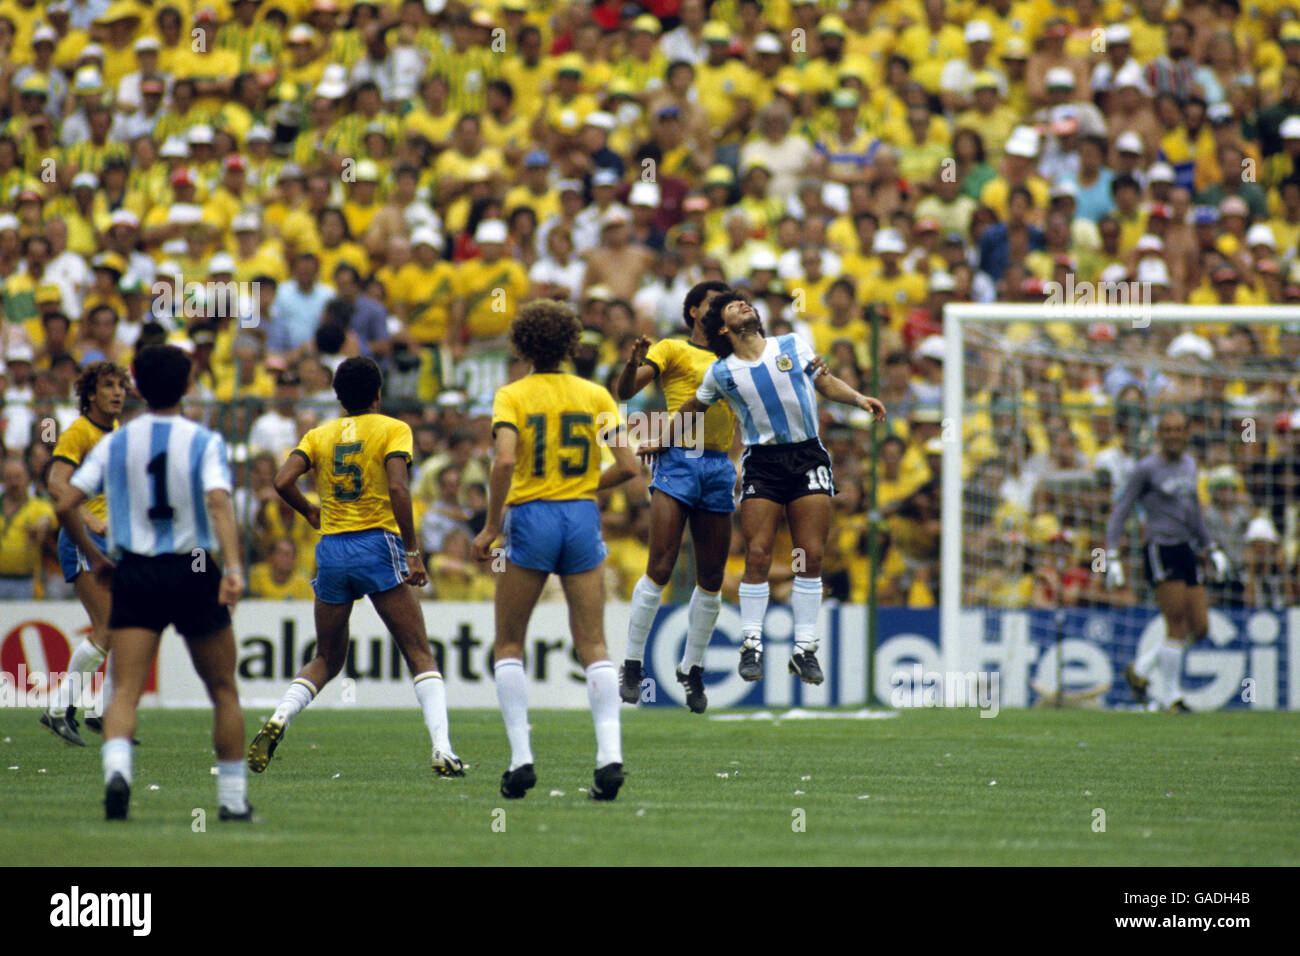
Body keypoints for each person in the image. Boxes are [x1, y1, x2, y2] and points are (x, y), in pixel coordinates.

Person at [642, 291, 885, 684]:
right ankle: (751, 644)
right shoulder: (722, 372)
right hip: (762, 464)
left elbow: (824, 382)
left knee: (811, 554)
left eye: (746, 303)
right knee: (756, 554)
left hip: (807, 455)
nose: (745, 305)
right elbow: (692, 408)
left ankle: (805, 649)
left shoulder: (791, 344)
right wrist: (662, 439)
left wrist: (859, 399)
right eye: (734, 306)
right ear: (723, 327)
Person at [55, 345, 251, 822]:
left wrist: (98, 557)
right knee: (224, 689)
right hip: (194, 567)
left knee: (124, 689)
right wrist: (234, 568)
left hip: (136, 569)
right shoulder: (203, 439)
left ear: (138, 387)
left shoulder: (116, 442)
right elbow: (221, 504)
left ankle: (118, 771)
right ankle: (230, 801)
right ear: (187, 385)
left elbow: (65, 503)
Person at [248, 356, 463, 778]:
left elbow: (280, 481)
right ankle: (443, 748)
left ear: (337, 397)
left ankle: (278, 719)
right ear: (379, 394)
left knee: (326, 656)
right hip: (377, 544)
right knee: (419, 651)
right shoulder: (393, 429)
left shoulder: (318, 435)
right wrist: (413, 551)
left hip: (331, 549)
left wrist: (310, 511)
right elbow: (399, 487)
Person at [470, 300, 640, 801]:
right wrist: (588, 485)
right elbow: (630, 468)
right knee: (593, 644)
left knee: (508, 643)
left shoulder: (512, 395)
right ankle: (610, 755)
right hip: (581, 515)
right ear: (572, 344)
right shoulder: (595, 395)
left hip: (531, 515)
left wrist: (489, 527)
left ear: (521, 345)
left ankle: (521, 758)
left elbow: (503, 463)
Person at [613, 280, 736, 713]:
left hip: (720, 463)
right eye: (711, 301)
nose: (720, 306)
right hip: (679, 457)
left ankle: (693, 667)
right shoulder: (672, 348)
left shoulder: (736, 357)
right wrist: (632, 364)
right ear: (693, 312)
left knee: (713, 576)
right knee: (661, 564)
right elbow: (625, 392)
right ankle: (632, 663)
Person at [1105, 410, 1230, 711]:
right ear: (1158, 434)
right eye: (1168, 429)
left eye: (1179, 429)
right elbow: (1121, 510)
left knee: (1199, 629)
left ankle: (1141, 670)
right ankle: (1172, 697)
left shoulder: (1190, 464)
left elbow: (1195, 512)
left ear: (1187, 433)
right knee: (1176, 622)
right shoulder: (1146, 469)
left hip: (1187, 549)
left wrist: (1211, 547)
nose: (1174, 434)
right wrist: (1110, 554)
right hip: (1160, 549)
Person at [41, 361, 126, 747]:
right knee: (107, 626)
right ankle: (59, 711)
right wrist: (88, 518)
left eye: (121, 386)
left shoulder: (117, 430)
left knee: (122, 628)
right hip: (81, 540)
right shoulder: (79, 432)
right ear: (91, 394)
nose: (118, 392)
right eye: (109, 386)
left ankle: (98, 713)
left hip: (113, 542)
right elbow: (55, 480)